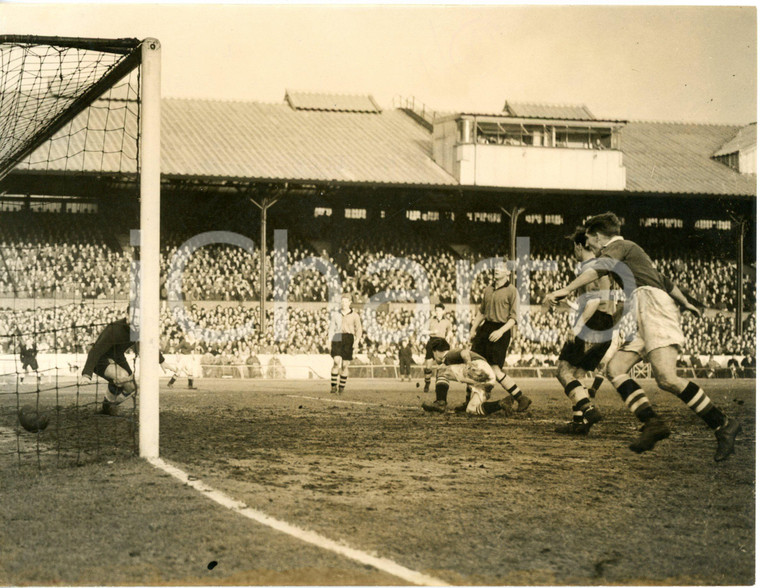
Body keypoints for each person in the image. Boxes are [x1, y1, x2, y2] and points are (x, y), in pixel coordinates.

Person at [545, 212, 741, 461]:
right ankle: (652, 423)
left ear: (596, 236)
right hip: (642, 308)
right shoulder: (634, 254)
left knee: (667, 378)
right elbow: (665, 280)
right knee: (615, 369)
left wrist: (566, 289)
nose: (589, 246)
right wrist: (686, 303)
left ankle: (723, 424)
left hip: (652, 305)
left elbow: (600, 269)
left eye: (589, 239)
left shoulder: (619, 246)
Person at [552, 227, 614, 435]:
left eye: (574, 247)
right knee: (578, 373)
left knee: (562, 370)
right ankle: (579, 422)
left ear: (580, 246)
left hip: (593, 323)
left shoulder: (589, 267)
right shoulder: (603, 266)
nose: (573, 252)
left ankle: (587, 409)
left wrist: (578, 326)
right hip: (606, 324)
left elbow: (594, 299)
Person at [467, 262, 531, 412]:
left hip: (501, 330)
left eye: (501, 268)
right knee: (474, 365)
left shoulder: (512, 291)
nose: (496, 269)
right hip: (485, 329)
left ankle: (521, 397)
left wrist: (501, 331)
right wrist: (473, 329)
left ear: (508, 273)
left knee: (494, 368)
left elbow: (514, 318)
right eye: (496, 267)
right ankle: (468, 400)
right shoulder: (488, 289)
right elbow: (482, 312)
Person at [79, 309, 165, 415]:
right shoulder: (114, 329)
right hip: (101, 358)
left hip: (118, 358)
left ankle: (108, 405)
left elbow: (147, 345)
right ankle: (110, 402)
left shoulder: (140, 330)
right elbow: (95, 351)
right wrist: (87, 374)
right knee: (122, 376)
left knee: (131, 387)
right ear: (127, 315)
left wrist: (162, 361)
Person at [422, 339, 511, 416]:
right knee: (471, 409)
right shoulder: (455, 360)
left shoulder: (449, 354)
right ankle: (501, 404)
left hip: (479, 367)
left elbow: (464, 352)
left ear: (436, 352)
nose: (434, 359)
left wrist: (468, 363)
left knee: (441, 369)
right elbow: (469, 380)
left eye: (433, 356)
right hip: (490, 378)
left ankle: (440, 402)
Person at [328, 293, 363, 394]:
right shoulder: (336, 314)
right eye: (342, 302)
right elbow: (331, 328)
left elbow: (359, 329)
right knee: (336, 361)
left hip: (349, 338)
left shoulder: (355, 315)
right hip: (337, 336)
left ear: (350, 303)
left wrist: (357, 341)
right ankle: (333, 386)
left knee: (345, 365)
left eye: (346, 302)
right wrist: (329, 340)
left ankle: (341, 387)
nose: (343, 304)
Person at [422, 303, 453, 392]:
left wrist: (448, 336)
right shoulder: (430, 320)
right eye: (436, 310)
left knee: (441, 365)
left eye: (439, 310)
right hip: (432, 341)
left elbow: (450, 331)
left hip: (442, 342)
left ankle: (438, 384)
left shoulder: (447, 321)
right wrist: (432, 331)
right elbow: (423, 331)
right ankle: (427, 382)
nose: (437, 312)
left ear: (443, 311)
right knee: (428, 365)